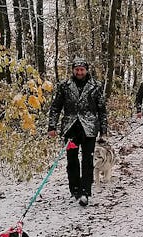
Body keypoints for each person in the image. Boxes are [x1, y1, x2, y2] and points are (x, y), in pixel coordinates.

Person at [47, 57, 108, 207]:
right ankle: (75, 189)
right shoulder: (64, 86)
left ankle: (85, 192)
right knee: (72, 160)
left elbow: (102, 109)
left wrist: (103, 130)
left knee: (88, 161)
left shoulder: (96, 86)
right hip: (71, 130)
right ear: (73, 70)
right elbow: (56, 107)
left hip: (89, 130)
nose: (79, 72)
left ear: (86, 70)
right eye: (77, 69)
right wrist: (52, 126)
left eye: (82, 69)